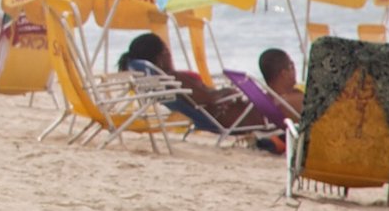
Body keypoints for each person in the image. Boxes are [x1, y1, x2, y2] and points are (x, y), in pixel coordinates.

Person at [120, 32, 268, 140]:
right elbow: (208, 99)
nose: (170, 55)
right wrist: (227, 91)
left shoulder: (163, 81)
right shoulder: (175, 79)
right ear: (160, 58)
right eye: (167, 51)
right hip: (229, 118)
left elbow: (202, 99)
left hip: (216, 117)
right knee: (275, 105)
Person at [258, 48, 302, 119]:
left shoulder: (262, 101)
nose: (295, 70)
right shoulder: (294, 102)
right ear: (284, 73)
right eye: (292, 66)